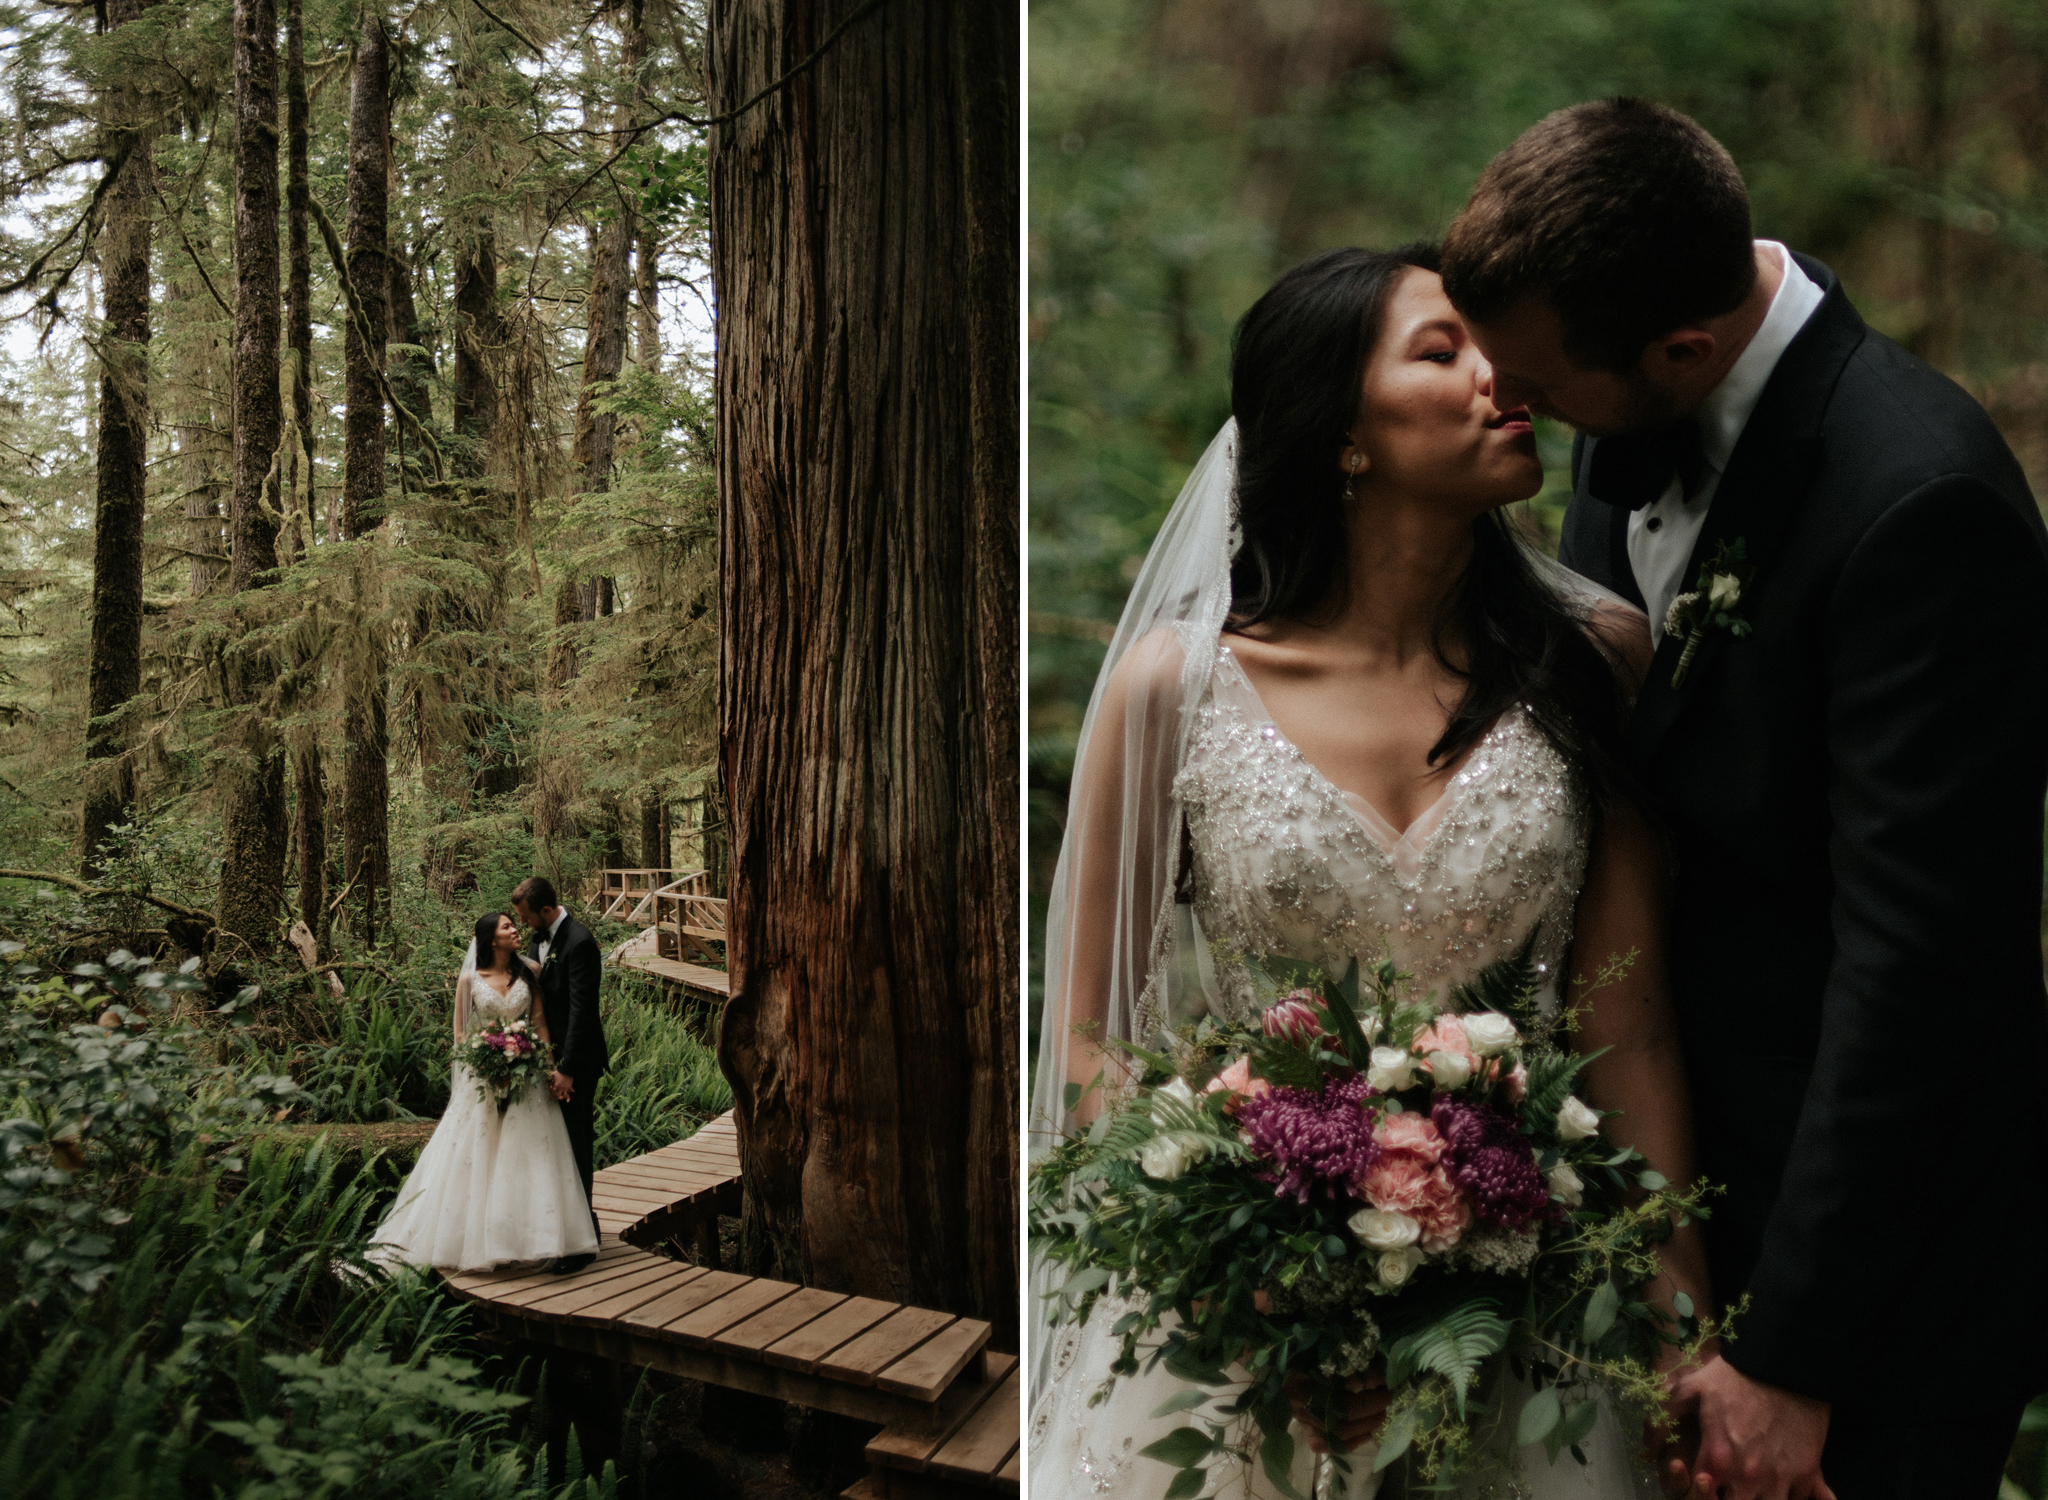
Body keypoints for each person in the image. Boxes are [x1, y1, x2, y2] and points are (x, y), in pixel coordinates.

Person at [1029, 243, 1711, 1498]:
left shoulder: (1592, 662)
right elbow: (1087, 1039)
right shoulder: (1172, 694)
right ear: (1339, 429)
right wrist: (1253, 1282)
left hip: (1524, 1325)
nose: (1500, 380)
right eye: (1440, 351)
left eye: (1491, 349)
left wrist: (1676, 1341)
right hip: (1243, 1334)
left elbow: (1632, 1034)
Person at [1441, 97, 2048, 1500]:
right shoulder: (1624, 394)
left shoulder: (1919, 502)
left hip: (1868, 1287)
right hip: (1670, 1232)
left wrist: (1792, 1353)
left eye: (1541, 384)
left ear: (1684, 351)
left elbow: (1925, 973)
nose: (1512, 405)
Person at [367, 910, 600, 1272]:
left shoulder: (530, 973)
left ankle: (530, 1238)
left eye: (515, 924)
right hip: (485, 1080)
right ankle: (477, 1239)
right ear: (492, 938)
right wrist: (489, 1064)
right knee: (483, 1153)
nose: (515, 929)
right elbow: (461, 1036)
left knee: (527, 1156)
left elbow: (539, 1024)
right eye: (508, 926)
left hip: (528, 1077)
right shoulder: (468, 980)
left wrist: (548, 1066)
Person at [511, 874, 610, 1274]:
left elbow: (583, 1013)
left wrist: (566, 1070)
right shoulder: (540, 938)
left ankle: (582, 1245)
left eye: (526, 917)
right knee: (556, 1148)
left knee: (576, 1147)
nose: (523, 925)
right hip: (550, 1062)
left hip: (577, 1064)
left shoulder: (581, 942)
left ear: (547, 911)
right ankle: (573, 1231)